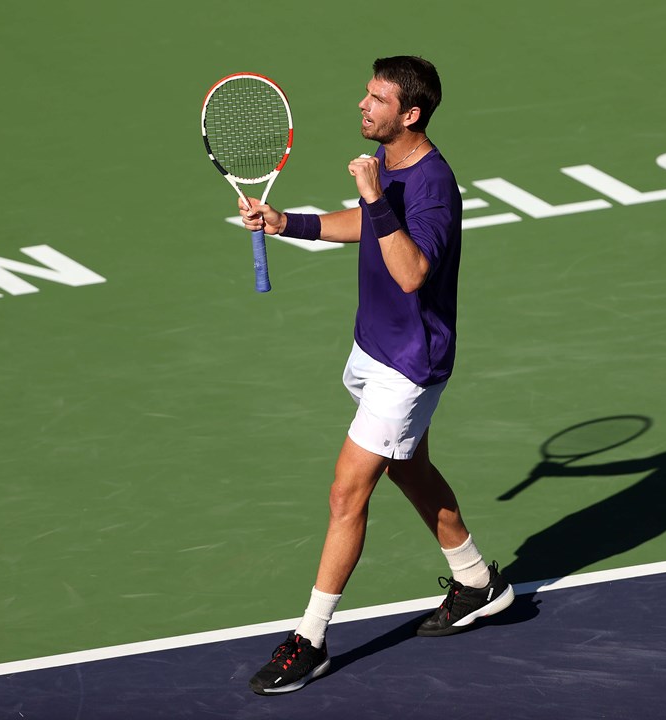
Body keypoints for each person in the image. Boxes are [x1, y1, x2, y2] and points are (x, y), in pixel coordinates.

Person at [237, 56, 514, 696]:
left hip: (410, 365)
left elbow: (413, 271)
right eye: (365, 95)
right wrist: (291, 224)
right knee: (407, 465)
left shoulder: (435, 184)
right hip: (373, 348)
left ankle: (310, 640)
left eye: (377, 99)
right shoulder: (389, 165)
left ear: (409, 114)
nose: (363, 106)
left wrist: (371, 196)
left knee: (346, 493)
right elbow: (369, 228)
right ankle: (476, 581)